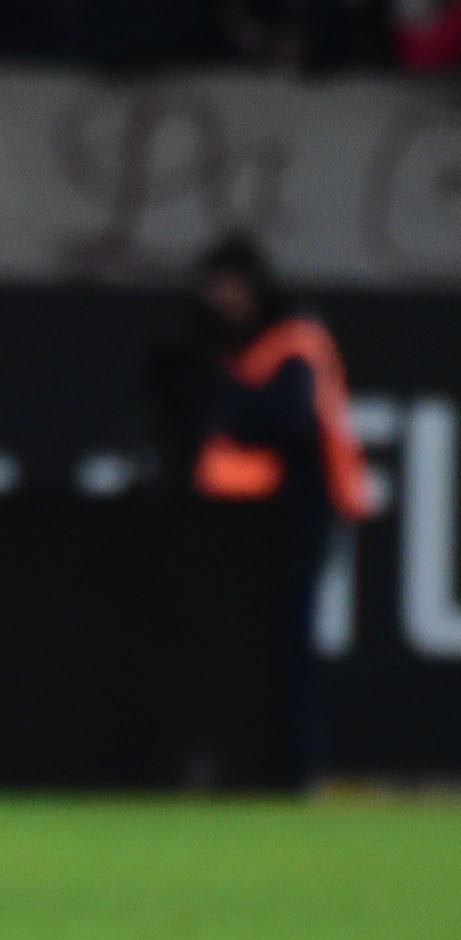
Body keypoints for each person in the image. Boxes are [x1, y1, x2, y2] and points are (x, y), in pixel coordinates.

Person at [162, 234, 370, 789]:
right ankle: (243, 762)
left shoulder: (295, 339)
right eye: (214, 287)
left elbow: (283, 420)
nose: (222, 298)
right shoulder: (222, 341)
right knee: (240, 644)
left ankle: (295, 769)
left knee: (291, 641)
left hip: (304, 511)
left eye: (230, 285)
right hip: (247, 519)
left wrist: (224, 408)